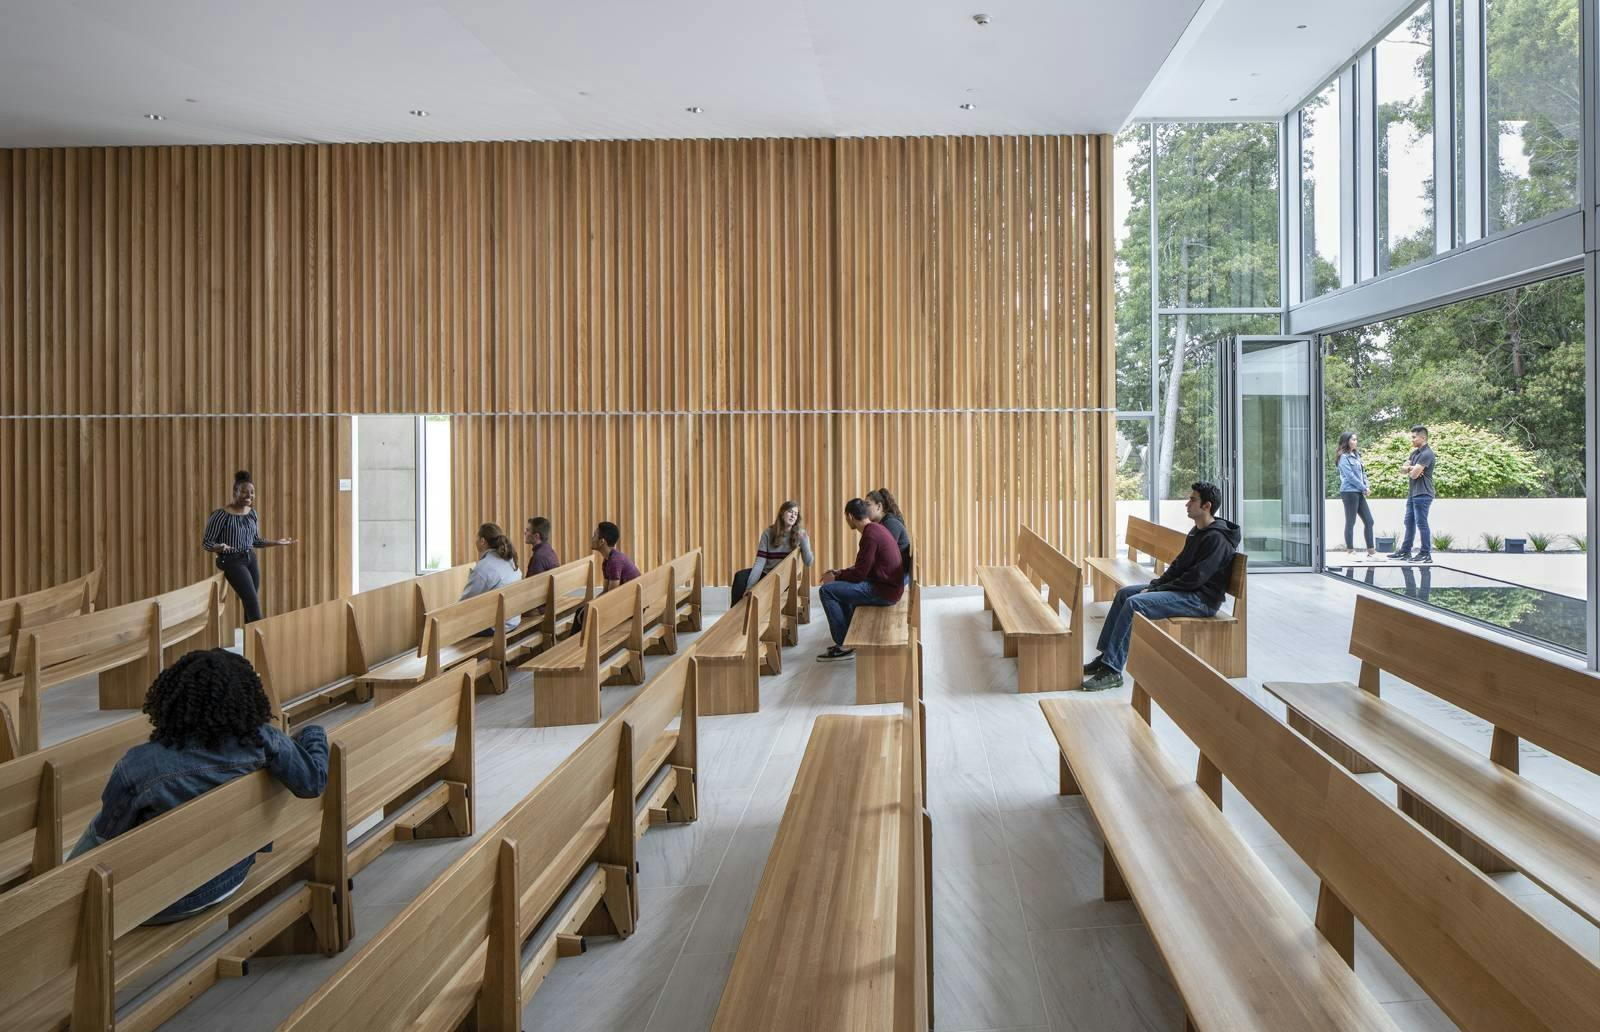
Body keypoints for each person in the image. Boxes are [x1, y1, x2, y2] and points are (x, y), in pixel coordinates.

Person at [69, 649, 327, 924]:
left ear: (171, 700)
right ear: (244, 699)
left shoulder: (139, 765)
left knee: (97, 831)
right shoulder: (265, 742)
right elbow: (313, 783)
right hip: (232, 875)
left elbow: (104, 841)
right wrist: (314, 734)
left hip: (155, 904)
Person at [1082, 482, 1241, 692]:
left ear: (1206, 506)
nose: (1187, 504)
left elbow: (1195, 579)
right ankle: (1106, 658)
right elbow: (1178, 566)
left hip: (1200, 600)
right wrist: (1156, 585)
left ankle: (1113, 670)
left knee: (1134, 604)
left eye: (1193, 499)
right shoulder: (1198, 531)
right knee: (1124, 594)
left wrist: (1155, 591)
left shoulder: (1218, 539)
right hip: (1185, 592)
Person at [201, 470, 296, 624]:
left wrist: (276, 542)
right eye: (244, 492)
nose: (249, 496)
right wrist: (218, 546)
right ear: (235, 492)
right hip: (231, 561)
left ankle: (251, 644)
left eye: (252, 492)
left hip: (250, 558)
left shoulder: (252, 514)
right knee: (252, 601)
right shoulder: (220, 515)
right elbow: (206, 543)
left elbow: (255, 541)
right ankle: (261, 638)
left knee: (249, 601)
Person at [817, 498, 905, 662]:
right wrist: (839, 573)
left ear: (850, 516)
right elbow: (863, 567)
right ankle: (849, 638)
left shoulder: (870, 535)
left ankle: (844, 645)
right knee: (839, 587)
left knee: (826, 591)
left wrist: (836, 577)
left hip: (884, 591)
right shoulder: (875, 529)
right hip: (888, 587)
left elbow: (859, 574)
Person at [731, 501, 813, 605]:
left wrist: (805, 542)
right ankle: (735, 614)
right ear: (782, 514)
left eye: (796, 514)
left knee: (765, 585)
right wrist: (750, 588)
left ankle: (748, 612)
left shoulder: (800, 534)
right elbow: (760, 563)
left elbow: (808, 562)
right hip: (766, 574)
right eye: (790, 512)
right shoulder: (768, 533)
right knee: (740, 577)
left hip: (785, 578)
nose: (793, 515)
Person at [459, 522, 521, 634]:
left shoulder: (484, 567)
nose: (475, 542)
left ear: (482, 541)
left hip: (497, 626)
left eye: (477, 538)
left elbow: (465, 604)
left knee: (451, 627)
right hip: (514, 619)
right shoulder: (509, 560)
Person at [1388, 425, 1436, 564]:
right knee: (1409, 522)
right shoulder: (1414, 454)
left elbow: (1414, 475)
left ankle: (1426, 554)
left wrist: (1412, 470)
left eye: (1414, 437)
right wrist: (1412, 468)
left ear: (1423, 437)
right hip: (1413, 493)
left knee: (1421, 523)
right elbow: (1403, 470)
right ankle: (1405, 551)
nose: (1412, 439)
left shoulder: (1427, 454)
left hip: (1423, 493)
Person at [1336, 432, 1375, 558]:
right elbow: (1350, 477)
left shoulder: (1357, 455)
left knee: (1369, 521)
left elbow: (1363, 473)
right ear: (1347, 441)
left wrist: (1366, 486)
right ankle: (1350, 551)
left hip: (1359, 491)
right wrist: (1363, 487)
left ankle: (1371, 552)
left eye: (1356, 439)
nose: (1356, 441)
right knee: (1351, 522)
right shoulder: (1343, 457)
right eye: (1353, 439)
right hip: (1349, 492)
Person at [866, 488, 913, 580]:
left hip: (896, 577)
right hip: (891, 573)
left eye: (867, 504)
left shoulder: (891, 523)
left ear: (879, 507)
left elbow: (884, 555)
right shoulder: (883, 523)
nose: (864, 509)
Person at [593, 521, 641, 592]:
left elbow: (611, 596)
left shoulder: (614, 562)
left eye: (595, 535)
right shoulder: (607, 560)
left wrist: (592, 603)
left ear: (602, 542)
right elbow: (605, 592)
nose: (592, 538)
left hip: (633, 599)